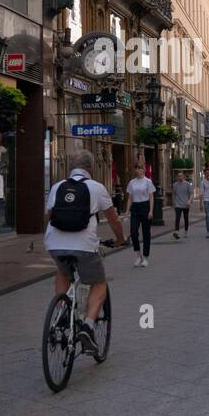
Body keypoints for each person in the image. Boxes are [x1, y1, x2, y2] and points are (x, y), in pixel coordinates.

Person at [45, 150, 125, 354]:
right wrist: (120, 239)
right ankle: (88, 326)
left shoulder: (57, 187)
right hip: (84, 246)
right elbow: (114, 219)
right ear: (91, 169)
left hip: (54, 243)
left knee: (63, 271)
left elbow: (49, 216)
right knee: (99, 283)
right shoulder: (97, 188)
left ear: (71, 167)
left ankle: (61, 313)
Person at [125, 162, 155, 267]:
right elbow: (130, 198)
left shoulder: (148, 181)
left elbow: (151, 197)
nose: (137, 170)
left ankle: (146, 257)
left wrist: (151, 211)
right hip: (136, 208)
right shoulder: (132, 182)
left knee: (146, 233)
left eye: (139, 168)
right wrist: (127, 211)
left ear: (143, 170)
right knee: (133, 231)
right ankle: (138, 255)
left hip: (145, 206)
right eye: (136, 168)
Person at [172, 171, 193, 239]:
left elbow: (191, 193)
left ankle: (186, 231)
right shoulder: (175, 185)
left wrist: (189, 201)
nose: (180, 177)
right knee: (177, 218)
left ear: (183, 176)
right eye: (178, 176)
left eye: (181, 176)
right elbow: (174, 194)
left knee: (186, 218)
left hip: (186, 204)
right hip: (178, 204)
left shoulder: (187, 184)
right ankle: (176, 231)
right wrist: (174, 202)